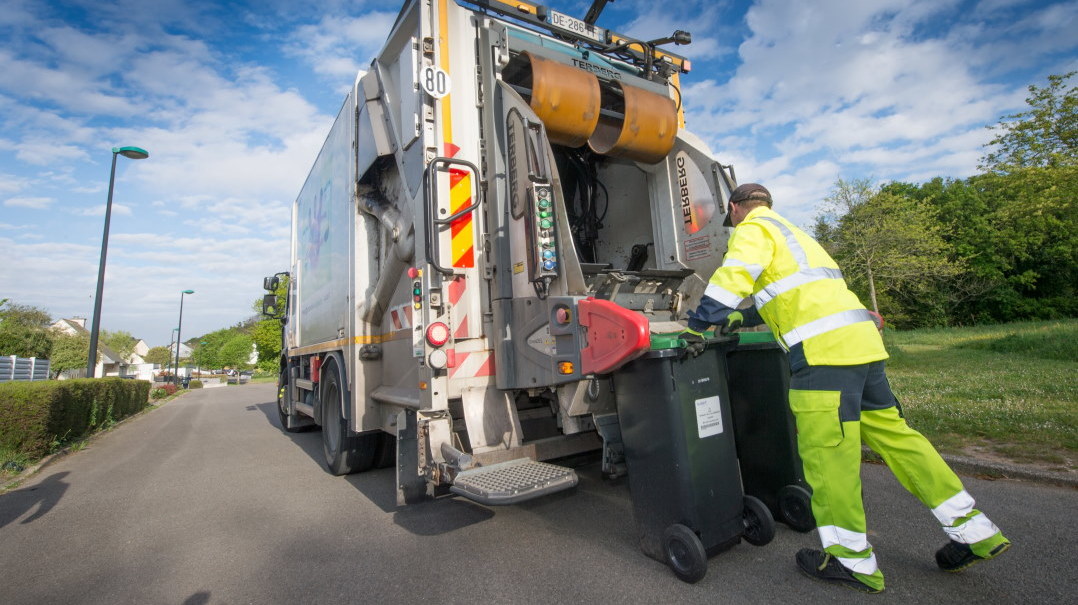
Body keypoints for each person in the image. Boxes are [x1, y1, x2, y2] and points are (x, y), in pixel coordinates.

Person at [681, 183, 1010, 594]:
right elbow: (793, 295)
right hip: (862, 350)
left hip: (824, 359)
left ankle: (850, 560)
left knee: (828, 458)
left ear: (734, 209)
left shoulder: (752, 229)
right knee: (900, 441)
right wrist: (740, 320)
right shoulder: (798, 236)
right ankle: (975, 531)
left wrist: (698, 323)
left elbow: (734, 277)